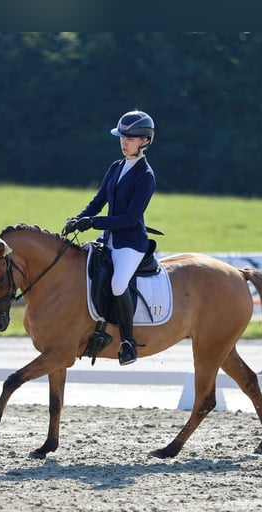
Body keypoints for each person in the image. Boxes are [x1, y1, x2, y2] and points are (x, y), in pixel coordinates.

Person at [62, 110, 156, 366]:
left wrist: (93, 222)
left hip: (131, 244)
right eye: (122, 137)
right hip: (109, 239)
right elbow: (98, 201)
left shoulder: (145, 176)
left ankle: (127, 342)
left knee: (117, 284)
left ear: (144, 141)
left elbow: (129, 218)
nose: (124, 142)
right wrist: (77, 219)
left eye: (130, 138)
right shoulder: (116, 167)